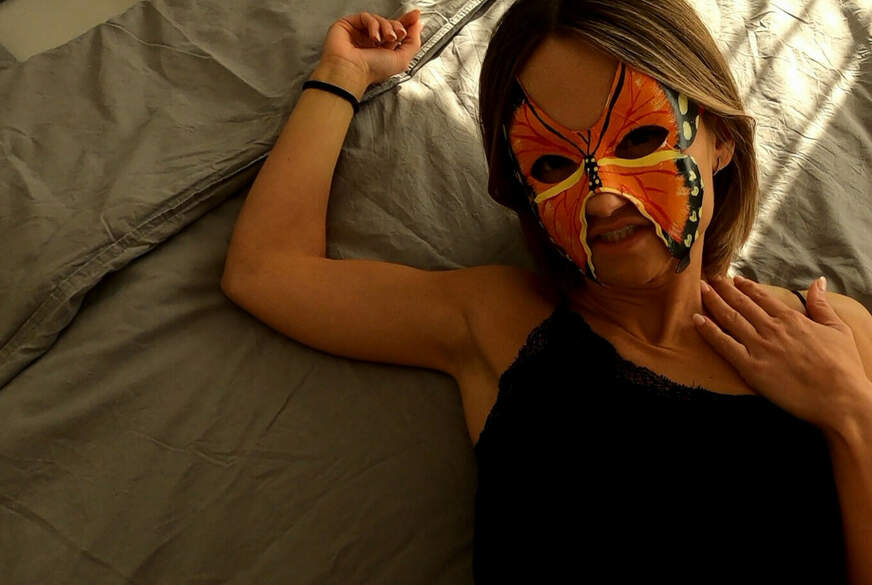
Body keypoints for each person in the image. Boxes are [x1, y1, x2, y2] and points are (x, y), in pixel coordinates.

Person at [220, 1, 872, 583]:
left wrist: (851, 412)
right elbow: (266, 269)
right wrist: (344, 74)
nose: (603, 197)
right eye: (554, 165)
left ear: (721, 137)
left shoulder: (834, 334)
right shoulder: (501, 322)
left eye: (640, 138)